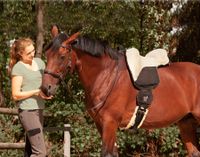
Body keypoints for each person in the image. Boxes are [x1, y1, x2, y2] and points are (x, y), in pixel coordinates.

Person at [8, 38, 52, 157]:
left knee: (30, 150)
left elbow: (47, 80)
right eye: (28, 53)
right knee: (40, 152)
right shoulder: (19, 68)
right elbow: (15, 95)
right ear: (20, 54)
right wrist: (36, 92)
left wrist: (48, 91)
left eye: (33, 51)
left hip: (39, 110)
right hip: (28, 113)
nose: (32, 54)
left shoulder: (39, 62)